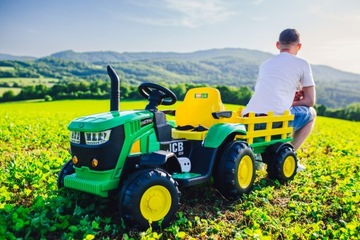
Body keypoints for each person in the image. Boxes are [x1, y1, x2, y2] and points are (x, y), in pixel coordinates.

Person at [242, 28, 316, 170]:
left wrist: (289, 97)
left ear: (277, 45)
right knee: (311, 113)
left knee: (269, 114)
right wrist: (293, 101)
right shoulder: (302, 64)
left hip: (249, 118)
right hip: (274, 121)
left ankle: (257, 156)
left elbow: (268, 92)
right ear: (299, 46)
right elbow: (310, 101)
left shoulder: (266, 64)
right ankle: (288, 155)